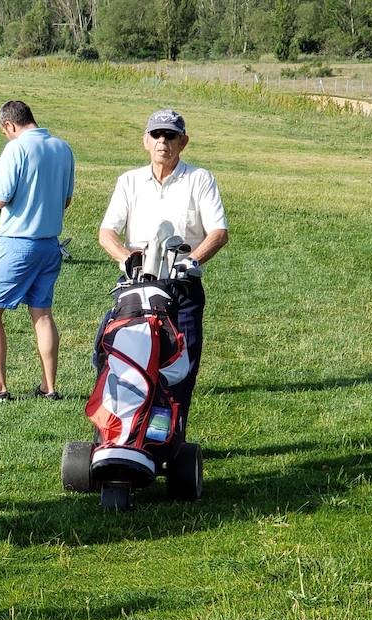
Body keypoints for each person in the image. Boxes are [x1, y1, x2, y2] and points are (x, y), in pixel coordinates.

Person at [98, 108, 228, 423]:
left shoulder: (199, 179)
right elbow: (107, 232)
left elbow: (219, 233)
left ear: (183, 142)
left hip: (181, 287)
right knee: (120, 358)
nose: (162, 142)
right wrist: (125, 257)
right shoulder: (129, 181)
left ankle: (172, 437)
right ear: (146, 141)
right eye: (156, 135)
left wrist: (192, 261)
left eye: (170, 135)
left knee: (179, 370)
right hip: (138, 288)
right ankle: (127, 429)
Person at [0, 100, 74, 401]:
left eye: (4, 131)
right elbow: (66, 200)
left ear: (9, 125)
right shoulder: (63, 148)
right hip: (49, 244)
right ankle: (49, 387)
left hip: (17, 242)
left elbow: (0, 199)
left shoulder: (16, 148)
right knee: (42, 314)